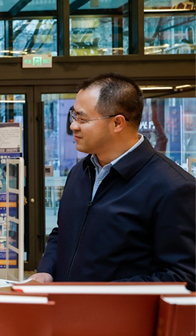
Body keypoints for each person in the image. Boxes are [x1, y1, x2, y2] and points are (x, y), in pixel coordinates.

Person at [29, 73, 196, 290]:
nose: (73, 126)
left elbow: (184, 277)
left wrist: (102, 293)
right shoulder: (80, 172)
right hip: (68, 306)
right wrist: (46, 271)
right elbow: (63, 232)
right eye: (73, 116)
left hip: (118, 311)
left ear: (117, 123)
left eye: (82, 119)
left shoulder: (173, 187)